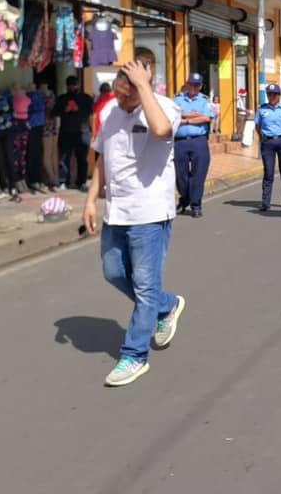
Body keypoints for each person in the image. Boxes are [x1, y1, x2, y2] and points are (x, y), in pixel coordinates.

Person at [83, 60, 186, 387]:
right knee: (113, 272)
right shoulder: (109, 110)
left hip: (150, 213)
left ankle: (135, 355)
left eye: (129, 96)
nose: (122, 101)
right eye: (118, 93)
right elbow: (102, 157)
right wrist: (90, 199)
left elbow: (160, 131)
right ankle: (167, 305)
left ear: (148, 86)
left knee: (144, 287)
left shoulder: (166, 108)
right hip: (117, 211)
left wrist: (144, 89)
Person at [172, 73, 213, 218]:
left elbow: (206, 117)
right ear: (187, 84)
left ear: (201, 86)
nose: (193, 87)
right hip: (180, 142)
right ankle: (185, 199)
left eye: (197, 85)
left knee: (198, 175)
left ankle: (196, 205)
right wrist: (192, 114)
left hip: (199, 141)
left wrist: (185, 119)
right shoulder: (176, 99)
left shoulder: (204, 100)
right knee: (180, 176)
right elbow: (172, 116)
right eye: (191, 84)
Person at [253, 83, 281, 211]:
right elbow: (257, 125)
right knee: (268, 172)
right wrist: (262, 136)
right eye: (269, 94)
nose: (271, 97)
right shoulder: (262, 109)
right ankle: (265, 202)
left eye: (274, 94)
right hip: (268, 143)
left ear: (279, 95)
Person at [53, 75, 93, 191]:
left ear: (78, 85)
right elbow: (54, 112)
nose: (73, 87)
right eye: (70, 85)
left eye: (75, 84)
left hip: (82, 132)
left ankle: (81, 182)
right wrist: (64, 110)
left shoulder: (85, 98)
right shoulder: (62, 98)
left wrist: (78, 109)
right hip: (66, 132)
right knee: (64, 159)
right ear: (67, 86)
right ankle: (63, 181)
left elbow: (90, 111)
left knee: (82, 159)